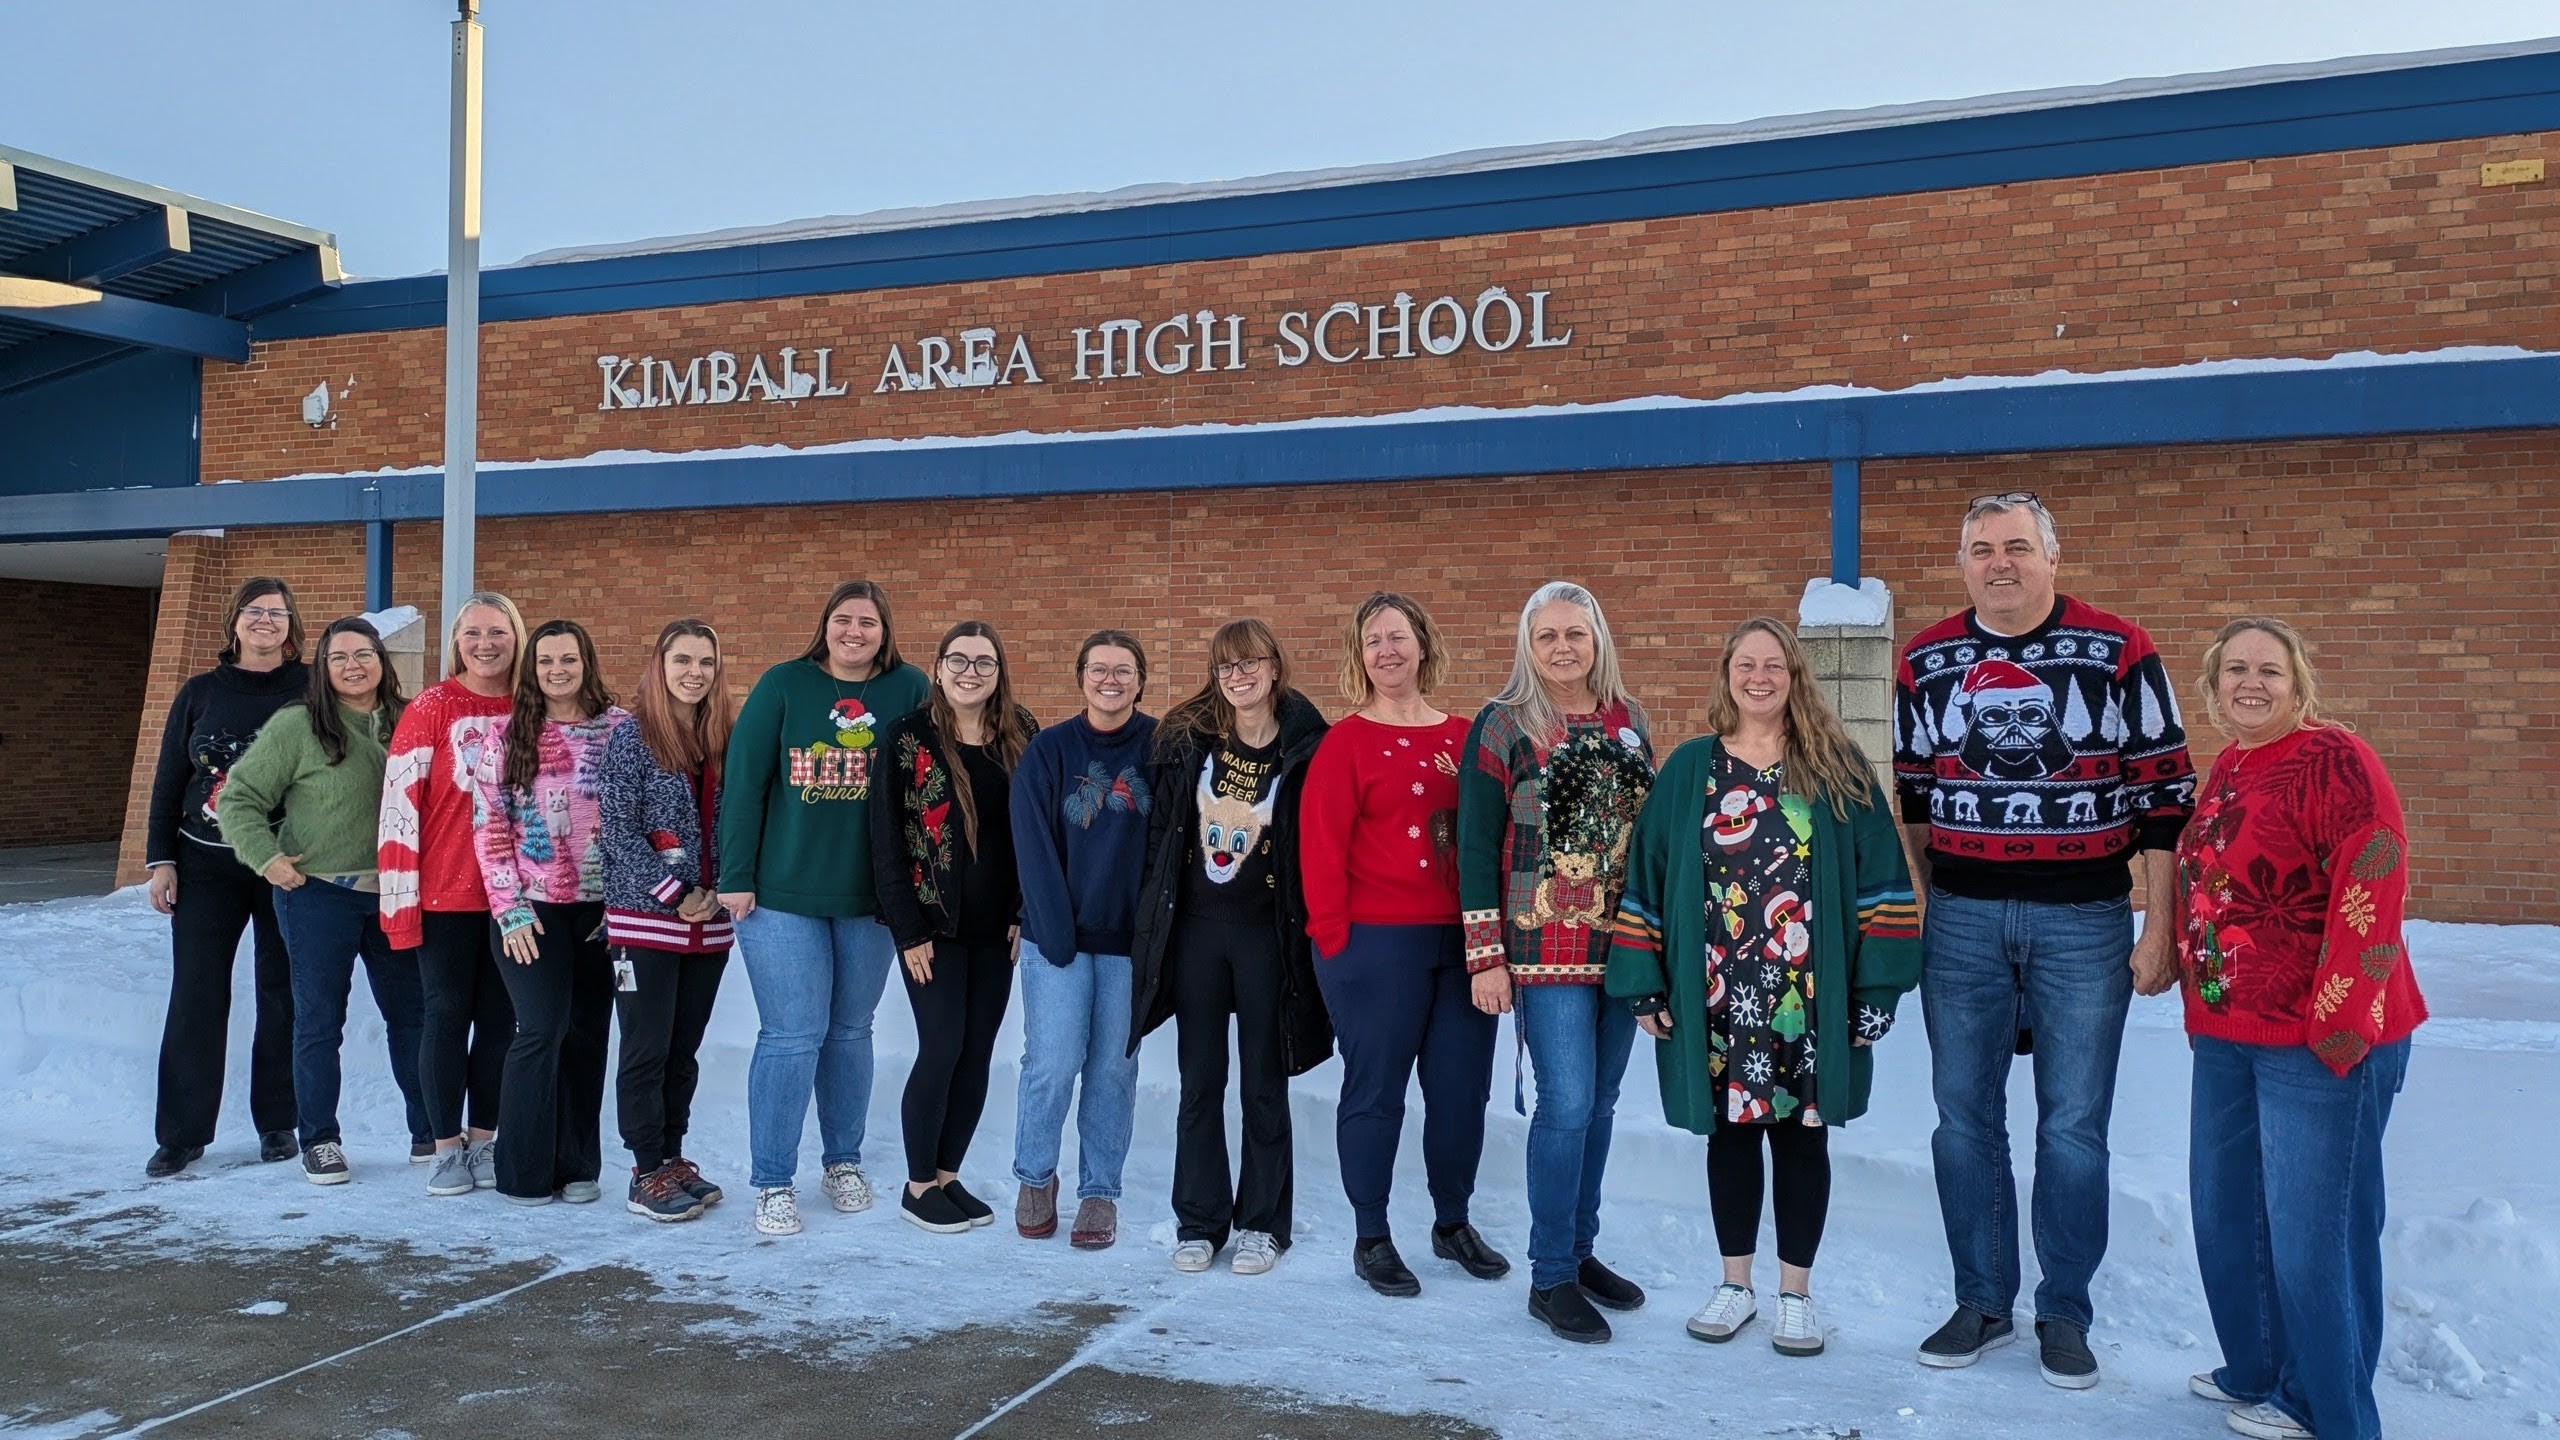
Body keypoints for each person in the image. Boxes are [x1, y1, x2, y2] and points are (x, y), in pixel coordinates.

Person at [1892, 491, 2197, 1387]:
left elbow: (2164, 795)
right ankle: (1983, 1302)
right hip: (1964, 919)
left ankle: (2065, 1311)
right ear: (1963, 563)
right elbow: (1914, 793)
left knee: (2073, 1126)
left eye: (2018, 546)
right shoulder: (1925, 658)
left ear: (2052, 557)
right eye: (1982, 548)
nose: (2000, 562)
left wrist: (2158, 927)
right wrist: (1927, 902)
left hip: (2085, 918)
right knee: (1963, 1119)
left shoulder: (2119, 648)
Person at [1608, 618, 1922, 1358]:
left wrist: (1876, 991)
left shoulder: (1835, 767)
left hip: (1811, 999)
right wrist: (1644, 981)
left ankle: (1796, 1295)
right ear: (1726, 675)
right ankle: (1734, 1284)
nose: (1760, 677)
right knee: (1730, 1137)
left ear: (1794, 676)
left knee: (1802, 1139)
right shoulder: (1690, 770)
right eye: (1746, 664)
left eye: (1774, 665)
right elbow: (1647, 876)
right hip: (1715, 996)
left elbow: (1883, 879)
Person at [2174, 619, 2423, 1440]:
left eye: (2269, 670)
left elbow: (2375, 867)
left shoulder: (2333, 759)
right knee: (2227, 1211)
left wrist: (2342, 1023)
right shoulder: (2234, 764)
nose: (2252, 683)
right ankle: (2257, 1371)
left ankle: (2326, 1408)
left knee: (2318, 1235)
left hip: (2323, 1038)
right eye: (2235, 670)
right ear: (2212, 688)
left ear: (2298, 682)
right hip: (2230, 1029)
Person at [1457, 582, 1656, 1341]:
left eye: (1577, 633)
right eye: (1548, 636)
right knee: (1566, 1103)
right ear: (1527, 646)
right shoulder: (1503, 725)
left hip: (1623, 948)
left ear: (1598, 638)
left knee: (1600, 1106)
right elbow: (1476, 848)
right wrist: (1485, 958)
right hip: (1541, 952)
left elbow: (1649, 841)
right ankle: (1550, 1277)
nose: (1564, 647)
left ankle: (1580, 1249)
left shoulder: (1629, 722)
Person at [1300, 591, 1506, 1298]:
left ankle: (1452, 1222)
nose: (1387, 651)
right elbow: (1319, 852)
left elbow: (1491, 839)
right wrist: (1335, 945)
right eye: (1373, 642)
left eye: (1398, 637)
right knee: (1377, 1091)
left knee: (1460, 1093)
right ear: (1361, 659)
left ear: (1423, 643)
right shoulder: (1345, 743)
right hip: (1374, 946)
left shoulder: (1465, 736)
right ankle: (1372, 1234)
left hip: (1463, 945)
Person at [719, 580, 928, 1237]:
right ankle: (773, 1181)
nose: (854, 632)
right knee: (791, 1033)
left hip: (871, 900)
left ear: (884, 631)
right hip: (781, 897)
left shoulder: (910, 689)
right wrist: (735, 875)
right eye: (843, 620)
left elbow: (929, 784)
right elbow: (746, 783)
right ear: (825, 626)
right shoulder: (784, 685)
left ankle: (843, 1163)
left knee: (850, 1031)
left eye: (867, 622)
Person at [1130, 620, 1332, 1278]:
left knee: (1263, 1085)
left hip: (1267, 938)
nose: (1238, 676)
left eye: (1250, 663)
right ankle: (1199, 1219)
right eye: (1225, 667)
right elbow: (1161, 833)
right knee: (1201, 1082)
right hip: (1196, 934)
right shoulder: (1190, 741)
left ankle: (1263, 1225)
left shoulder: (1307, 745)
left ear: (1276, 666)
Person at [215, 616, 431, 1185]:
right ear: (322, 667)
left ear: (382, 660)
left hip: (396, 897)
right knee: (317, 1022)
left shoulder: (412, 720)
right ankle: (321, 1139)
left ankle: (430, 1131)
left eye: (363, 654)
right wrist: (268, 860)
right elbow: (238, 800)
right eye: (338, 657)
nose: (352, 666)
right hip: (318, 898)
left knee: (413, 1017)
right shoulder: (296, 726)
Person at [870, 622, 1036, 1235]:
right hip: (934, 929)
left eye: (984, 662)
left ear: (999, 672)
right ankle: (917, 1184)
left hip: (998, 930)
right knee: (941, 1047)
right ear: (937, 668)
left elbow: (1038, 838)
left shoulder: (1022, 736)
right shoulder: (907, 737)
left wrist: (1026, 913)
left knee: (976, 1053)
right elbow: (885, 840)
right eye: (958, 660)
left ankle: (946, 1174)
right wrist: (908, 931)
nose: (971, 671)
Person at [143, 577, 309, 1177]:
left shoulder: (311, 689)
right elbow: (169, 779)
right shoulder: (199, 692)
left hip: (289, 867)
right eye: (254, 611)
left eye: (277, 613)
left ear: (291, 628)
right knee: (196, 994)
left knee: (283, 993)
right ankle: (182, 1135)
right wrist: (161, 858)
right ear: (235, 622)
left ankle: (279, 1123)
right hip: (204, 865)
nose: (265, 621)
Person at [1010, 630, 1157, 1249]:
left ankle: (1100, 1192)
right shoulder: (1050, 750)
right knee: (1052, 1063)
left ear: (1140, 680)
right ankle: (1035, 1175)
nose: (1111, 680)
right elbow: (1033, 846)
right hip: (1057, 942)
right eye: (1099, 669)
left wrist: (1153, 933)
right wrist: (1056, 934)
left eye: (1124, 670)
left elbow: (1169, 842)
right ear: (1081, 677)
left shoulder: (1161, 747)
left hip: (1130, 944)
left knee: (1113, 1071)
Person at [472, 620, 627, 1206]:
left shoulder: (620, 732)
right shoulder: (506, 735)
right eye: (545, 661)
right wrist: (509, 910)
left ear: (586, 661)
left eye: (568, 659)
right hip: (530, 911)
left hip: (602, 912)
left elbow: (637, 818)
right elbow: (490, 830)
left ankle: (578, 1164)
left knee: (588, 1032)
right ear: (531, 669)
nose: (557, 670)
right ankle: (523, 1169)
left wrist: (628, 903)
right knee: (540, 1030)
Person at [382, 590, 527, 1197]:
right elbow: (398, 807)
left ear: (517, 638)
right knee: (444, 1017)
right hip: (444, 896)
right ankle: (445, 1146)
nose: (485, 643)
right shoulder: (431, 707)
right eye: (473, 633)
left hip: (520, 899)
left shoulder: (535, 707)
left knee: (500, 1023)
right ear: (455, 642)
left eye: (498, 632)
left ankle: (486, 1139)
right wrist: (399, 902)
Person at [597, 619, 736, 1222]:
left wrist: (721, 888)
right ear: (660, 665)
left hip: (710, 924)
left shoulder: (726, 739)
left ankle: (673, 1157)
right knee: (646, 1048)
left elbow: (737, 820)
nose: (694, 672)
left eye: (705, 662)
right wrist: (674, 891)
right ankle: (644, 1167)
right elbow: (617, 829)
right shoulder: (632, 739)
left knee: (685, 1050)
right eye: (682, 660)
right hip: (645, 921)